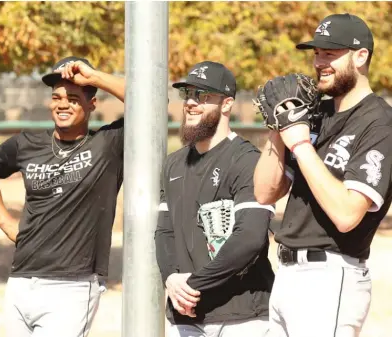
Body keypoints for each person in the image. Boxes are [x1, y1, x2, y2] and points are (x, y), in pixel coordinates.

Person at [254, 13, 392, 337]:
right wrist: (279, 127)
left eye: (330, 53)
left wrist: (300, 143)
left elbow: (347, 214)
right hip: (287, 273)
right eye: (316, 53)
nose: (319, 61)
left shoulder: (379, 122)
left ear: (361, 56)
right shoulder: (318, 114)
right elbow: (264, 193)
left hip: (330, 277)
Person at [0, 56, 125, 337]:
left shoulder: (108, 144)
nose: (62, 104)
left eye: (74, 97)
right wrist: (5, 221)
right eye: (56, 97)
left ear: (92, 103)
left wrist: (93, 77)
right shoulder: (27, 144)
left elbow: (151, 104)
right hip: (21, 281)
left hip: (72, 286)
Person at [155, 61, 275, 337]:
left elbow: (250, 239)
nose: (191, 103)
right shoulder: (173, 164)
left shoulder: (246, 160)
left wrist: (194, 285)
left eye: (204, 96)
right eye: (189, 95)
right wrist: (171, 279)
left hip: (241, 316)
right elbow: (164, 231)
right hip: (185, 316)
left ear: (226, 104)